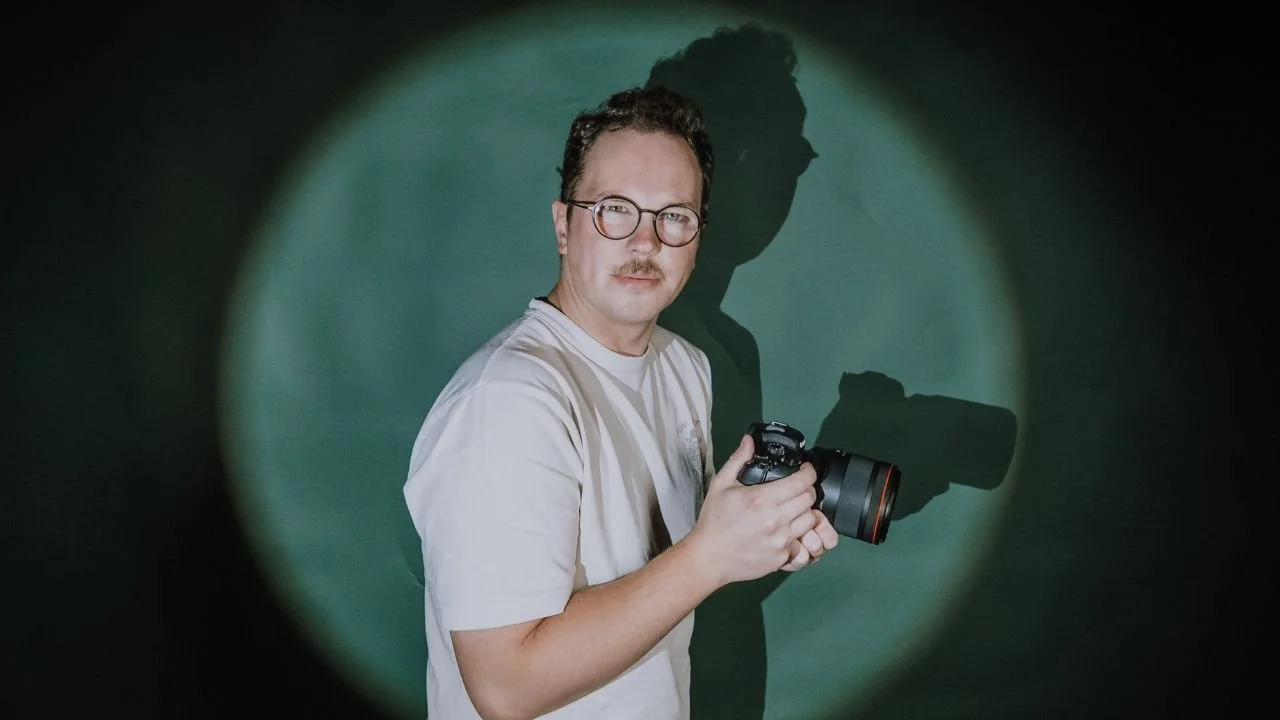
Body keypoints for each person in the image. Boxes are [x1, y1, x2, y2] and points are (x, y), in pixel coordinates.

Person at [402, 85, 838, 720]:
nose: (645, 242)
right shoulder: (510, 400)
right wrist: (709, 556)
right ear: (563, 225)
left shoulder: (684, 365)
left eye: (674, 216)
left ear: (697, 234)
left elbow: (662, 576)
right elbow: (505, 687)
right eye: (614, 210)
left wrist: (757, 538)